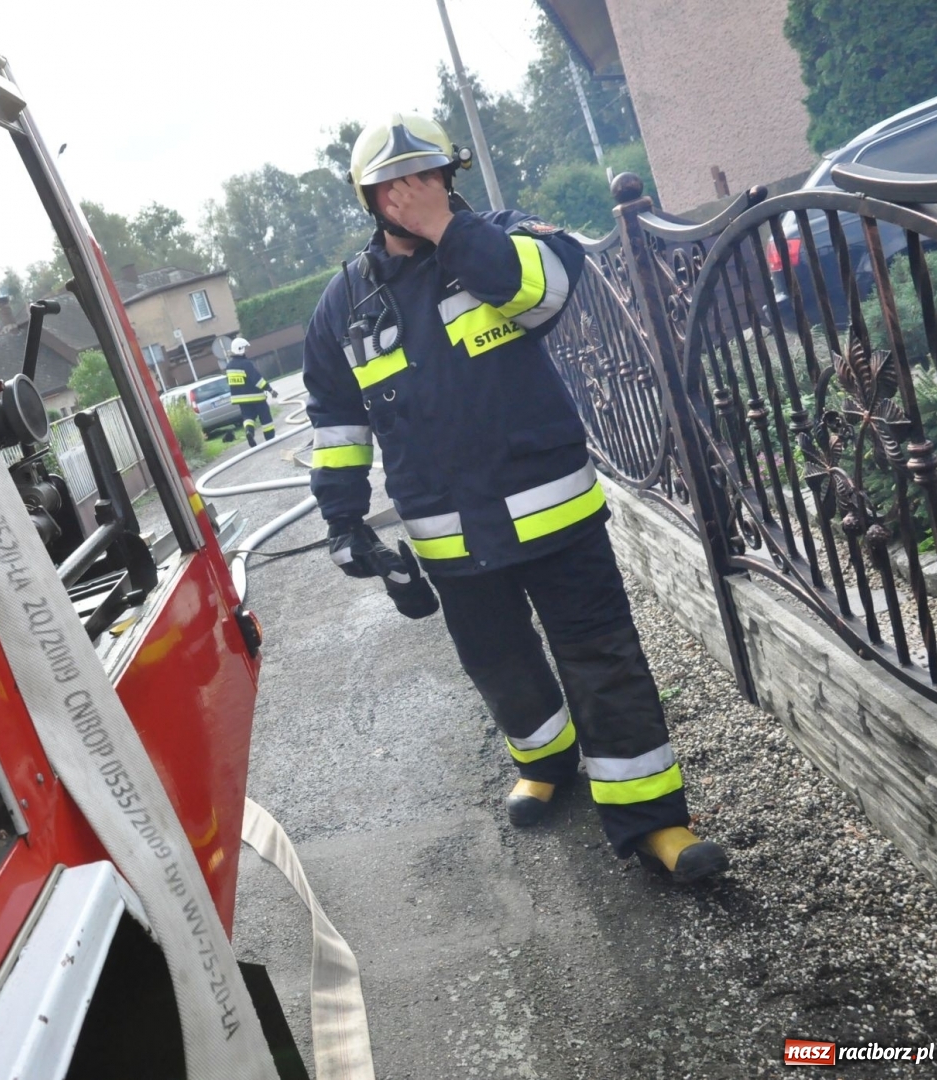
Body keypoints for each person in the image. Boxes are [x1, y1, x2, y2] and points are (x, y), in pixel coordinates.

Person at [301, 114, 727, 884]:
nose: (407, 193)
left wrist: (446, 230)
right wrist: (342, 521)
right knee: (499, 663)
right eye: (390, 185)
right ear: (367, 197)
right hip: (448, 539)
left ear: (448, 177)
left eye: (422, 176)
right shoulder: (344, 305)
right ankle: (546, 760)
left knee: (604, 660)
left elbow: (549, 293)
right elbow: (335, 419)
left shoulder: (505, 239)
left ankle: (655, 822)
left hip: (556, 518)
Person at [226, 336, 278, 446]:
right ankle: (270, 437)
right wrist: (270, 390)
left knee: (248, 417)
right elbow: (257, 380)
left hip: (241, 400)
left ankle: (249, 432)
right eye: (245, 348)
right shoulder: (246, 364)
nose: (246, 350)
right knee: (265, 415)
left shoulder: (229, 366)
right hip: (256, 397)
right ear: (240, 349)